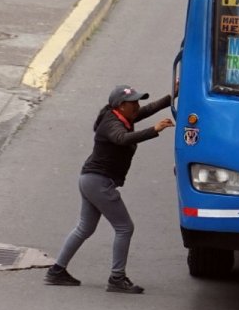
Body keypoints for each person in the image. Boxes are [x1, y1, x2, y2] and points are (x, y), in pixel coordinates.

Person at [44, 85, 176, 292]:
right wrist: (154, 130)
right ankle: (117, 278)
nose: (137, 106)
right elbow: (121, 139)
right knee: (125, 228)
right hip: (98, 182)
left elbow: (150, 108)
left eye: (137, 101)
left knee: (85, 228)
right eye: (133, 103)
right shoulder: (111, 123)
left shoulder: (124, 117)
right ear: (120, 106)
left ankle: (56, 271)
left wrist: (174, 94)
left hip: (90, 180)